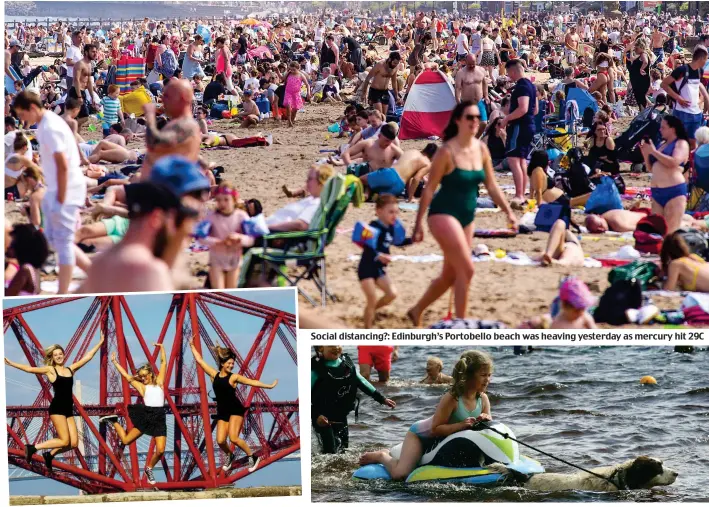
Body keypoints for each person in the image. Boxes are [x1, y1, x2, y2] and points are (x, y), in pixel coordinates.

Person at [407, 102, 518, 327]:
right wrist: (418, 224)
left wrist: (509, 212)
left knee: (452, 274)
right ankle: (462, 324)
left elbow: (493, 186)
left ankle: (416, 310)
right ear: (458, 120)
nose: (475, 121)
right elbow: (429, 189)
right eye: (470, 117)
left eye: (478, 117)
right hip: (443, 213)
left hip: (467, 216)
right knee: (467, 268)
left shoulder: (482, 150)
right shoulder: (446, 151)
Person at [77, 156, 209, 293]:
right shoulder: (148, 272)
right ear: (158, 217)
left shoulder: (105, 261)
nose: (191, 229)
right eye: (189, 218)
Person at [359, 350, 492, 480]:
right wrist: (461, 425)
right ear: (468, 375)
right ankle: (382, 455)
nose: (487, 379)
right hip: (421, 436)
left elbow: (488, 422)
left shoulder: (483, 399)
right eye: (483, 375)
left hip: (443, 442)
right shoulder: (452, 398)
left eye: (489, 375)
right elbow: (436, 428)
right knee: (400, 475)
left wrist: (486, 418)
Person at [13, 91, 89, 294]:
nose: (22, 119)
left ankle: (62, 293)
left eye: (22, 114)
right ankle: (93, 271)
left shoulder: (50, 127)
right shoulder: (48, 123)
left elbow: (63, 165)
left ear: (32, 108)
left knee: (63, 242)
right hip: (60, 188)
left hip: (66, 189)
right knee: (56, 239)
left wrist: (61, 198)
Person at [5, 338, 103, 473]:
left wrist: (100, 342)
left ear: (64, 354)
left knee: (73, 443)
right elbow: (29, 369)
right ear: (52, 357)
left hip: (68, 409)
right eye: (55, 355)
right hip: (57, 409)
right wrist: (11, 363)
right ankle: (33, 447)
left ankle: (49, 454)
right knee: (63, 440)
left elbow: (88, 357)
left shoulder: (70, 369)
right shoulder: (50, 370)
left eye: (60, 354)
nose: (58, 356)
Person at [189, 338, 277, 472]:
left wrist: (268, 386)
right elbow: (200, 361)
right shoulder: (214, 374)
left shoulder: (234, 377)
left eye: (233, 363)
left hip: (235, 410)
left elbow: (251, 382)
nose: (231, 365)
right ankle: (230, 455)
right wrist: (191, 345)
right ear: (223, 364)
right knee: (220, 440)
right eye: (229, 363)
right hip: (223, 411)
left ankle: (252, 456)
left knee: (234, 438)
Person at [99, 345, 167, 486]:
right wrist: (116, 362)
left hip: (160, 417)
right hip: (147, 416)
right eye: (141, 377)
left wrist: (161, 348)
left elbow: (163, 363)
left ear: (151, 374)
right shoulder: (142, 387)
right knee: (126, 441)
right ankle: (114, 421)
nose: (143, 378)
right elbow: (126, 377)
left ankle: (149, 468)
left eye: (145, 376)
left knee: (160, 450)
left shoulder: (159, 383)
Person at [312, 346, 395, 454]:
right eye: (331, 344)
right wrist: (317, 415)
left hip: (341, 415)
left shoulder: (347, 365)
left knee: (343, 449)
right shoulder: (316, 370)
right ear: (320, 349)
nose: (335, 347)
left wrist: (381, 399)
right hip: (322, 418)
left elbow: (362, 382)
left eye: (337, 344)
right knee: (330, 452)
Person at [358, 195, 412, 328]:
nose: (394, 215)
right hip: (366, 268)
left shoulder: (391, 228)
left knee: (392, 294)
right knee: (372, 299)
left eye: (396, 212)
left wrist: (412, 240)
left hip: (379, 270)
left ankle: (369, 312)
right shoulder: (373, 226)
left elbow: (397, 242)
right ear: (379, 211)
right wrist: (379, 255)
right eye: (391, 212)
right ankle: (367, 330)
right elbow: (368, 246)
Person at [640, 115, 690, 233]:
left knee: (671, 231)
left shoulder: (681, 143)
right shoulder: (662, 144)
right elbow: (651, 168)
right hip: (657, 191)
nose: (660, 130)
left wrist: (653, 152)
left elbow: (674, 162)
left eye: (663, 127)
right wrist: (646, 154)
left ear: (672, 129)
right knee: (658, 230)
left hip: (673, 190)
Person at [141, 80, 201, 179]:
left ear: (183, 98)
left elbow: (154, 142)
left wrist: (150, 116)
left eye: (167, 97)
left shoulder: (186, 124)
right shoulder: (179, 122)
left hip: (171, 186)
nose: (162, 100)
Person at [200, 182, 254, 289]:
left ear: (234, 199)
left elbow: (251, 239)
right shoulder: (211, 216)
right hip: (216, 260)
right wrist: (216, 242)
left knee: (231, 293)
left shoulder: (241, 216)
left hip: (234, 260)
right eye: (219, 200)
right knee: (218, 293)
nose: (222, 203)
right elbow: (201, 238)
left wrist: (240, 238)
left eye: (226, 199)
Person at [500, 59, 537, 205]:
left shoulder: (521, 87)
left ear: (513, 71)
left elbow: (523, 108)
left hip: (519, 127)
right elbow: (535, 110)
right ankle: (522, 193)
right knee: (521, 160)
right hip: (528, 125)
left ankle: (519, 195)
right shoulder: (532, 86)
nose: (508, 76)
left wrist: (506, 119)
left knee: (514, 160)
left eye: (508, 72)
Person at [661, 45, 709, 150]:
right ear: (701, 58)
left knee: (693, 143)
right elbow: (664, 84)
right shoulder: (681, 70)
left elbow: (698, 89)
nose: (706, 62)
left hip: (696, 114)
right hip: (681, 113)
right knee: (678, 142)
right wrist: (678, 98)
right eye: (706, 59)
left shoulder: (699, 71)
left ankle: (689, 165)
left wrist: (699, 100)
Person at [347, 124, 404, 196]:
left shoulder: (394, 149)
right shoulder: (367, 144)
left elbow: (407, 161)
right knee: (364, 167)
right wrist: (348, 164)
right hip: (365, 178)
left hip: (381, 181)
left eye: (390, 141)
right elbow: (346, 154)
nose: (388, 143)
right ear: (379, 136)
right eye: (386, 140)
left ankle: (367, 193)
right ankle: (365, 192)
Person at [5, 223, 49, 296]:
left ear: (21, 246)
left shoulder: (25, 270)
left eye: (13, 243)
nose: (8, 247)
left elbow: (8, 296)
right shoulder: (34, 269)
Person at [454, 54, 489, 135]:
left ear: (476, 61)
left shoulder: (481, 70)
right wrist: (458, 102)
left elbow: (484, 84)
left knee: (484, 123)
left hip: (479, 101)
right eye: (469, 64)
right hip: (466, 103)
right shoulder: (461, 73)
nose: (472, 65)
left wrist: (486, 96)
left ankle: (475, 139)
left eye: (473, 63)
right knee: (467, 125)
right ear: (465, 62)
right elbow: (458, 88)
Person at [362, 52, 402, 117]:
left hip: (385, 92)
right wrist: (364, 93)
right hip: (375, 91)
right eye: (394, 63)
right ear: (389, 59)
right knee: (379, 115)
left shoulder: (395, 67)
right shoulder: (380, 65)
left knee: (384, 115)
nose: (395, 65)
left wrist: (396, 95)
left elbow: (394, 82)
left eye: (397, 63)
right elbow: (367, 79)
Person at [71, 43, 99, 129]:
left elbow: (89, 82)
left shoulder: (90, 64)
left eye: (96, 52)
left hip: (82, 92)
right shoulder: (80, 64)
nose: (95, 54)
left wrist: (92, 97)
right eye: (93, 52)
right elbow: (76, 80)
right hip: (76, 92)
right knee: (84, 117)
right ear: (86, 52)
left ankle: (75, 136)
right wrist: (79, 96)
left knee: (81, 117)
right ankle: (69, 126)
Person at [282, 61, 311, 128]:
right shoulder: (289, 74)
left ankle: (292, 120)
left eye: (294, 70)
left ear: (298, 68)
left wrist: (308, 92)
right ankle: (289, 121)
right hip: (288, 93)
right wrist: (280, 72)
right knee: (288, 107)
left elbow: (307, 84)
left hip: (296, 94)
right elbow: (282, 79)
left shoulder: (301, 75)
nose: (292, 71)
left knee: (295, 109)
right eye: (291, 69)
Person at [628, 39, 651, 109]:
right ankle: (642, 112)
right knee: (639, 97)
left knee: (641, 97)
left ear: (641, 47)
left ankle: (643, 113)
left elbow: (645, 62)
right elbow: (631, 59)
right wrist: (631, 50)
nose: (635, 49)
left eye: (636, 48)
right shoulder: (640, 55)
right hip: (637, 81)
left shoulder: (643, 54)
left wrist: (641, 69)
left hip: (641, 81)